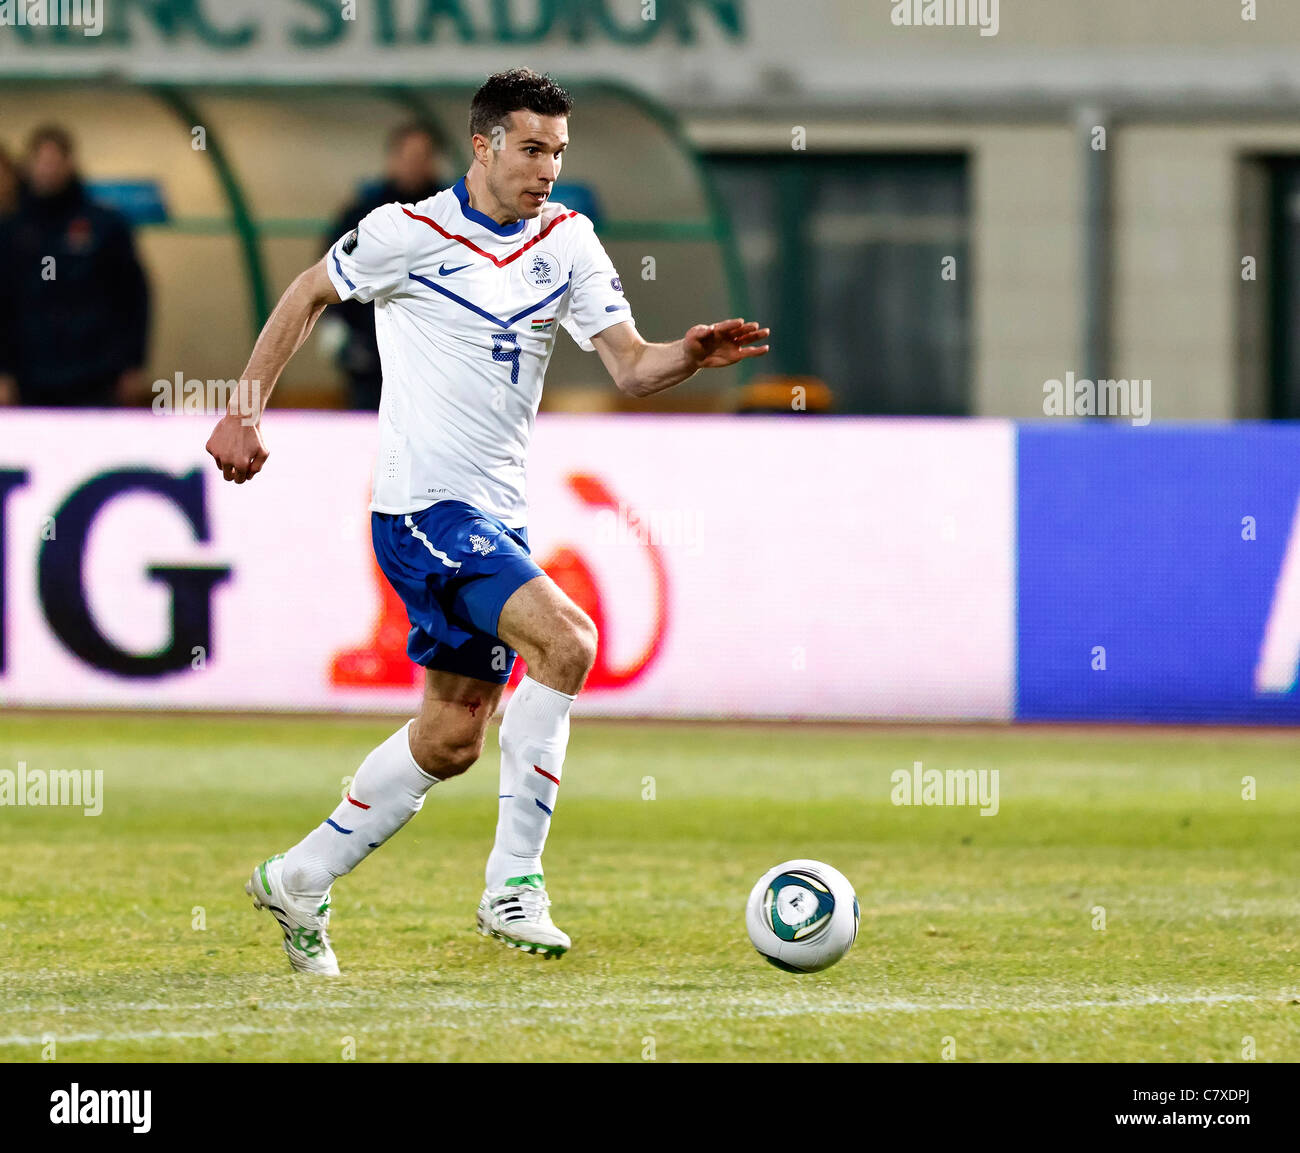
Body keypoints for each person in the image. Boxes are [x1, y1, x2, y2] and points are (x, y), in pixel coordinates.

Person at [206, 69, 768, 975]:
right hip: (421, 510)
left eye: (559, 152)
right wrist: (245, 408)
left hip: (495, 519)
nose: (547, 168)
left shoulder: (571, 241)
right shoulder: (407, 232)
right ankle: (515, 881)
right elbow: (308, 292)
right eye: (532, 148)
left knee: (454, 735)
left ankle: (300, 873)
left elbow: (628, 366)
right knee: (572, 639)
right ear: (484, 145)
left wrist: (688, 356)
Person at [0, 125, 149, 408]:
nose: (48, 170)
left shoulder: (105, 226)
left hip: (95, 374)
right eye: (42, 162)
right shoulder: (12, 231)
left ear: (70, 163)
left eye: (55, 161)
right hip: (30, 377)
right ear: (29, 166)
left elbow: (133, 298)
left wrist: (132, 363)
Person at [323, 122, 447, 410]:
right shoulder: (362, 212)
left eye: (423, 157)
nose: (415, 165)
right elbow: (332, 270)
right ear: (393, 159)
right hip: (370, 355)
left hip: (432, 355)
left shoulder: (449, 213)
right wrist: (337, 327)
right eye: (409, 156)